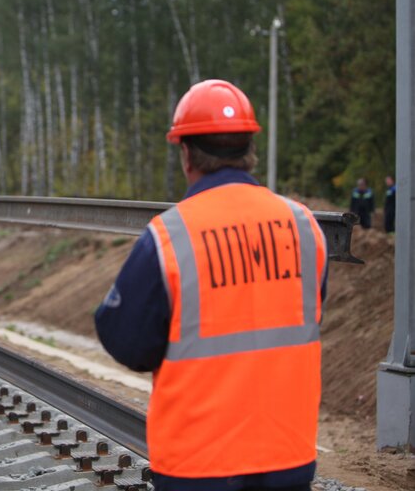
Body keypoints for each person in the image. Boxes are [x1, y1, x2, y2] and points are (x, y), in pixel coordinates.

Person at [95, 80, 328, 491]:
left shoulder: (170, 237)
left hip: (199, 466)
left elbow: (127, 343)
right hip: (288, 457)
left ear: (186, 153)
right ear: (249, 151)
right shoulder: (304, 226)